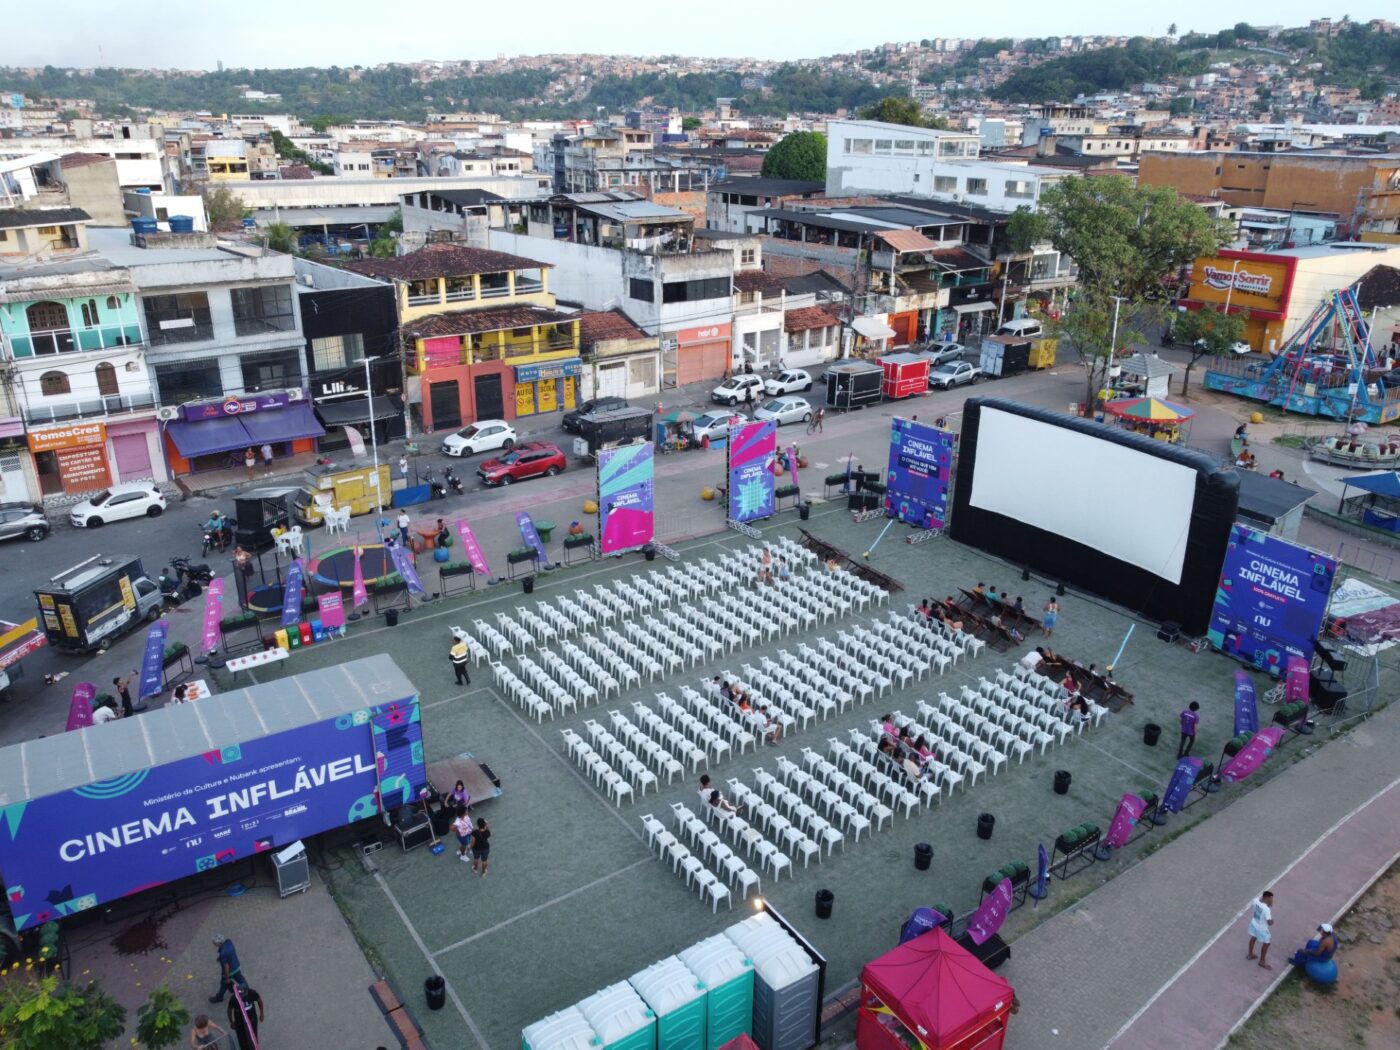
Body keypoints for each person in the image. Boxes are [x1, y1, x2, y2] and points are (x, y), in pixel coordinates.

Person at [209, 935, 248, 1003]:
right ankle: (246, 988)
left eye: (214, 943)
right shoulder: (229, 942)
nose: (214, 944)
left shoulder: (223, 954)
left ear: (218, 944)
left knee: (224, 983)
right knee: (240, 978)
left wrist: (227, 977)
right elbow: (230, 953)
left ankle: (219, 997)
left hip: (230, 971)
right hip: (236, 965)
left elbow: (226, 966)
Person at [1247, 890, 1276, 969]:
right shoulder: (1266, 909)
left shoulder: (1255, 900)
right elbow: (1269, 922)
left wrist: (1269, 904)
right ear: (1267, 898)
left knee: (1253, 937)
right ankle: (1262, 961)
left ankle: (1250, 954)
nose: (1272, 900)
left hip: (1254, 923)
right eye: (1271, 898)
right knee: (1267, 943)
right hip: (1262, 928)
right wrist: (1272, 921)